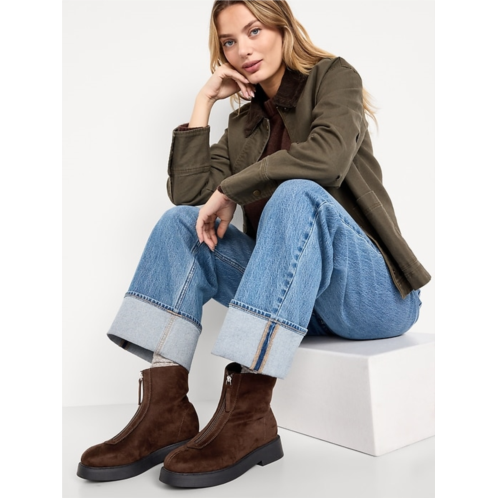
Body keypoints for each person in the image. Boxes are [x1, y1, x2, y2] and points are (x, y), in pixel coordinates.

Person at [76, 0, 432, 489]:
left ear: (283, 29)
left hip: (374, 298)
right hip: (300, 301)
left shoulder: (334, 77)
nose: (243, 49)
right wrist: (204, 102)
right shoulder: (244, 124)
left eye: (254, 31)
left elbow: (327, 160)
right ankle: (165, 412)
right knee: (180, 223)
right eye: (229, 41)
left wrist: (231, 189)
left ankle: (249, 415)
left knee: (297, 193)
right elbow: (189, 194)